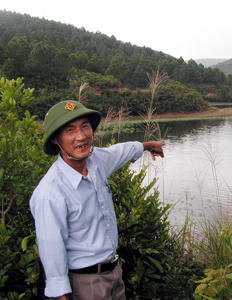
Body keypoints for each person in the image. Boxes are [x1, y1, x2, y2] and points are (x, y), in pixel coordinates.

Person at [29, 100, 165, 300]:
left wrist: (149, 145)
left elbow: (120, 151)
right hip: (86, 285)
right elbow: (52, 255)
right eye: (70, 130)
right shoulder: (50, 194)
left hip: (114, 274)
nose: (81, 136)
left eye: (85, 126)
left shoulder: (96, 162)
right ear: (55, 140)